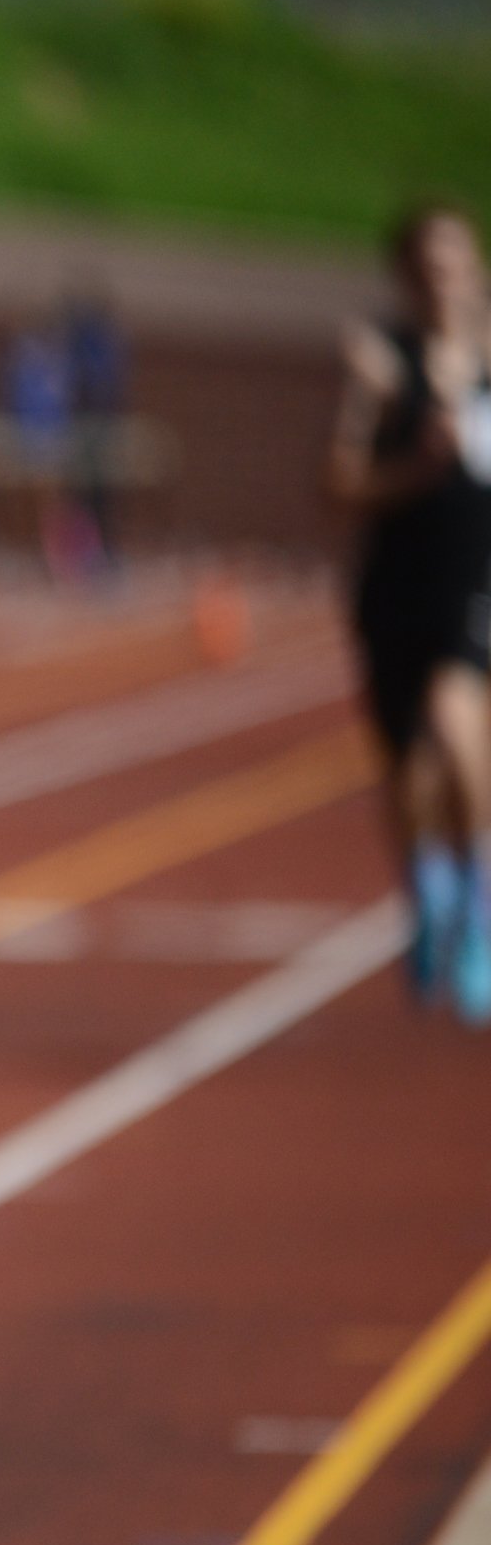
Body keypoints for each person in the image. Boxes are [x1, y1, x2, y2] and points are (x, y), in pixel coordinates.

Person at [329, 201, 491, 1020]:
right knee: (409, 772)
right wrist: (418, 466)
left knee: (458, 726)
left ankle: (482, 906)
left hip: (477, 583)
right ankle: (429, 891)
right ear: (405, 276)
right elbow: (341, 485)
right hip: (396, 587)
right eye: (427, 266)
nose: (443, 280)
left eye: (455, 262)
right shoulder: (380, 364)